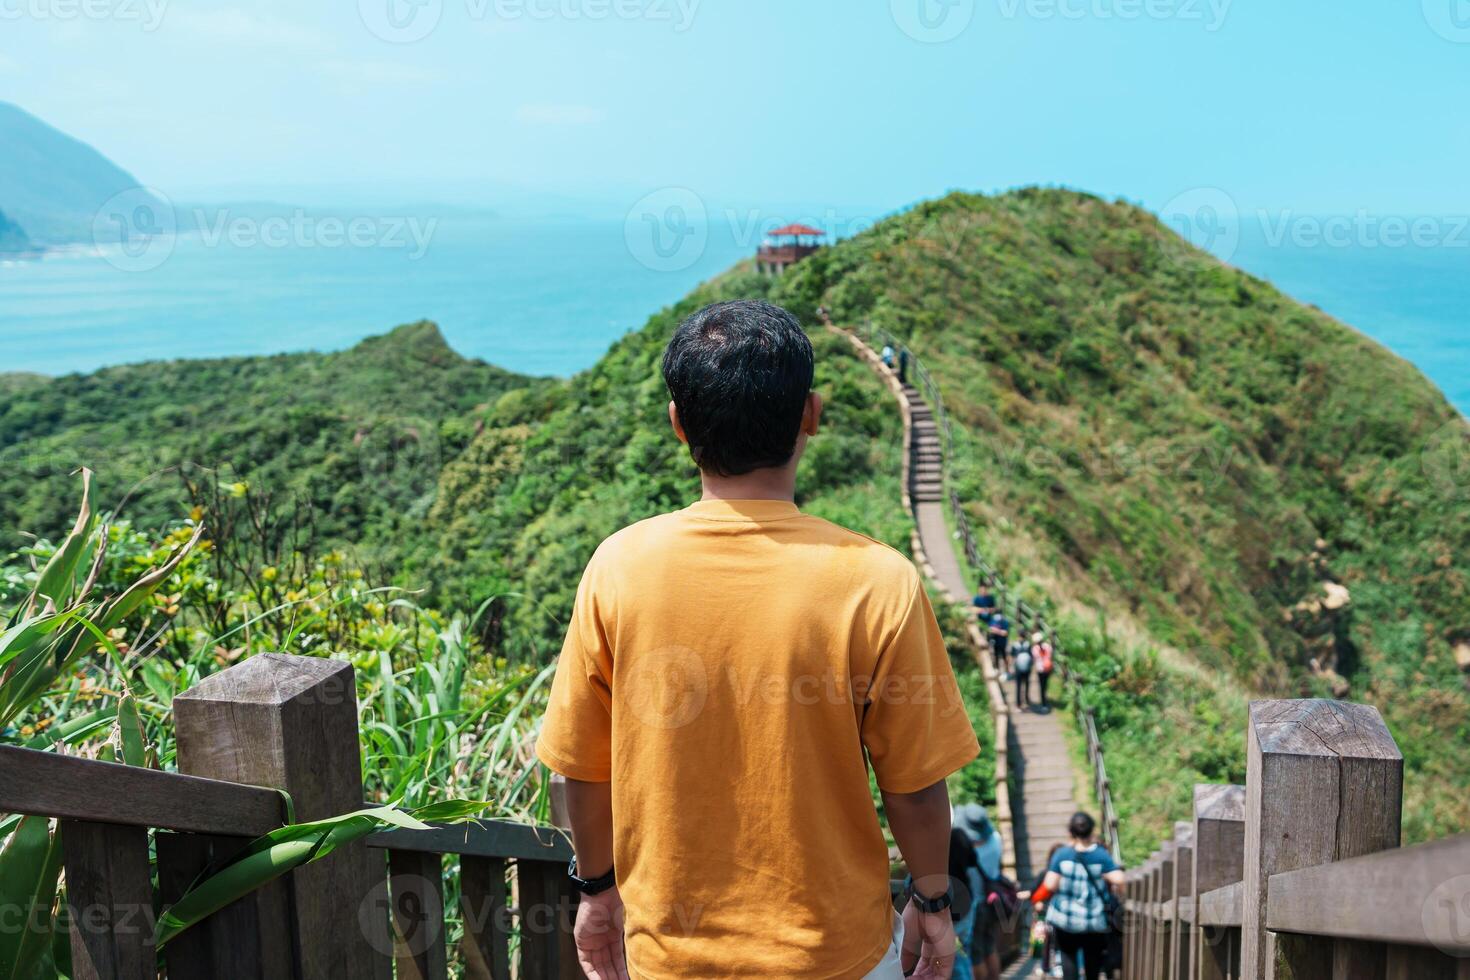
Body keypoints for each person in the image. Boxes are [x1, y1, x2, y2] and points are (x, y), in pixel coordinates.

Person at [536, 300, 981, 980]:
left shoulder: (618, 568)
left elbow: (580, 769)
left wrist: (597, 892)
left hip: (670, 957)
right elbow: (917, 786)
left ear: (678, 424)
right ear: (811, 414)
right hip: (839, 955)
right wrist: (931, 897)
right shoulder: (877, 581)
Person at [1041, 813, 1124, 980]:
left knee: (1068, 963)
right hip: (1093, 922)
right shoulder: (1101, 855)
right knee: (1092, 966)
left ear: (1071, 831)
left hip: (1066, 921)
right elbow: (1120, 879)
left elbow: (1049, 884)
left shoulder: (1062, 855)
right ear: (1091, 830)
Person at [954, 803, 1006, 980]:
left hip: (973, 904)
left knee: (975, 955)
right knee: (990, 948)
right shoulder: (996, 840)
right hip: (991, 901)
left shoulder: (964, 845)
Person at [1033, 631, 1055, 711]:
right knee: (1045, 684)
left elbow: (1035, 658)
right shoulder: (1047, 646)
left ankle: (1043, 703)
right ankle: (1044, 700)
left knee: (1042, 686)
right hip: (1047, 668)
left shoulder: (1035, 648)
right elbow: (1051, 654)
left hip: (1040, 669)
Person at [987, 609, 1010, 676]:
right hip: (995, 643)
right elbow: (989, 630)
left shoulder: (1005, 622)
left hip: (1003, 643)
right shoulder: (992, 621)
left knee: (1004, 657)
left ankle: (1007, 671)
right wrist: (1000, 631)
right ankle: (997, 670)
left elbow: (1005, 633)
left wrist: (996, 630)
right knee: (996, 656)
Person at [1012, 638, 1033, 709]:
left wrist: (1012, 667)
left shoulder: (1015, 645)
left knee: (1018, 686)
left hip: (1018, 669)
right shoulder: (1028, 645)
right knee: (1027, 684)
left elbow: (1012, 656)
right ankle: (1026, 700)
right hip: (1027, 669)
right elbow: (1031, 657)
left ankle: (1018, 703)